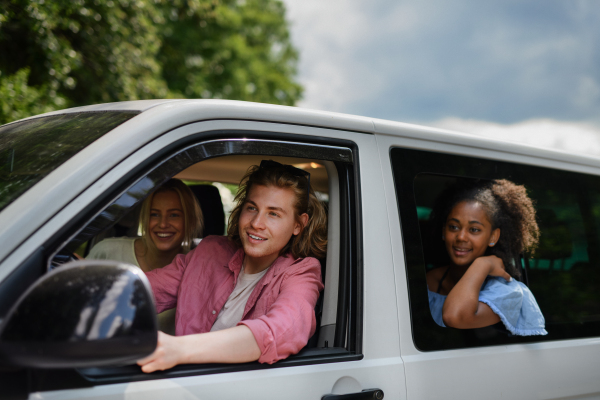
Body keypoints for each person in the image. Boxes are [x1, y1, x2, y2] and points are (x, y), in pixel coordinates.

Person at [137, 160, 328, 373]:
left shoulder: (301, 271)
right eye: (252, 208)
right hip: (181, 383)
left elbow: (281, 330)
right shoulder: (209, 251)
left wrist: (178, 349)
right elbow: (143, 292)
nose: (256, 223)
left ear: (298, 225)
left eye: (273, 214)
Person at [426, 178, 547, 336]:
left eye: (474, 229)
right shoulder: (430, 280)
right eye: (454, 227)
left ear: (493, 236)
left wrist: (482, 265)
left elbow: (454, 317)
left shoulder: (507, 292)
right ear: (444, 231)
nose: (461, 237)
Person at [87, 178, 203, 333]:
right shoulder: (108, 251)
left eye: (174, 215)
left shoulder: (198, 270)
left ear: (190, 220)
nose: (162, 224)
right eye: (154, 214)